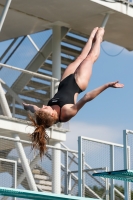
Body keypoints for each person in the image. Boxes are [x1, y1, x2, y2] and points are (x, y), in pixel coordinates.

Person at [23, 27, 124, 157]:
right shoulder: (66, 113)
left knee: (80, 57)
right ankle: (99, 38)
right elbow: (87, 97)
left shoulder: (42, 114)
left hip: (64, 81)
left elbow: (33, 108)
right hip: (79, 82)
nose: (43, 106)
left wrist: (25, 106)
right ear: (53, 115)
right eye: (45, 109)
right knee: (90, 58)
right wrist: (107, 85)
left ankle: (92, 35)